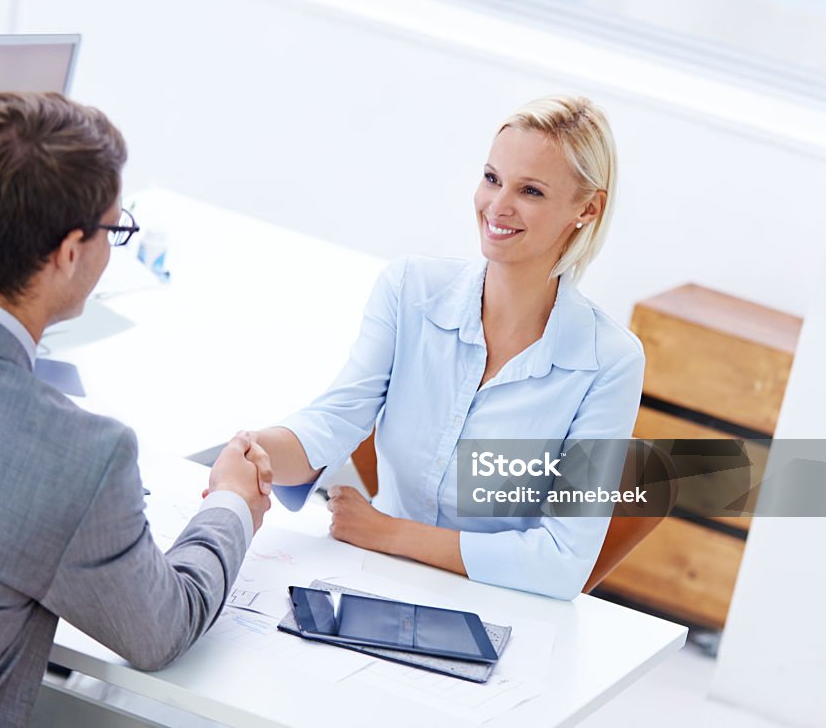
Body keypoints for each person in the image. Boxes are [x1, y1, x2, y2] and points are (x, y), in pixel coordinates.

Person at [0, 92, 271, 727]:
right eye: (115, 228)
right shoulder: (79, 458)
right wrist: (231, 503)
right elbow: (159, 631)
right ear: (70, 252)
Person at [240, 95, 643, 600]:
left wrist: (390, 534)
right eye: (492, 178)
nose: (498, 206)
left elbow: (562, 561)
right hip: (371, 580)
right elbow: (335, 419)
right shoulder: (410, 289)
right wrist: (253, 452)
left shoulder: (609, 362)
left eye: (531, 191)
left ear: (587, 208)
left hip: (494, 608)